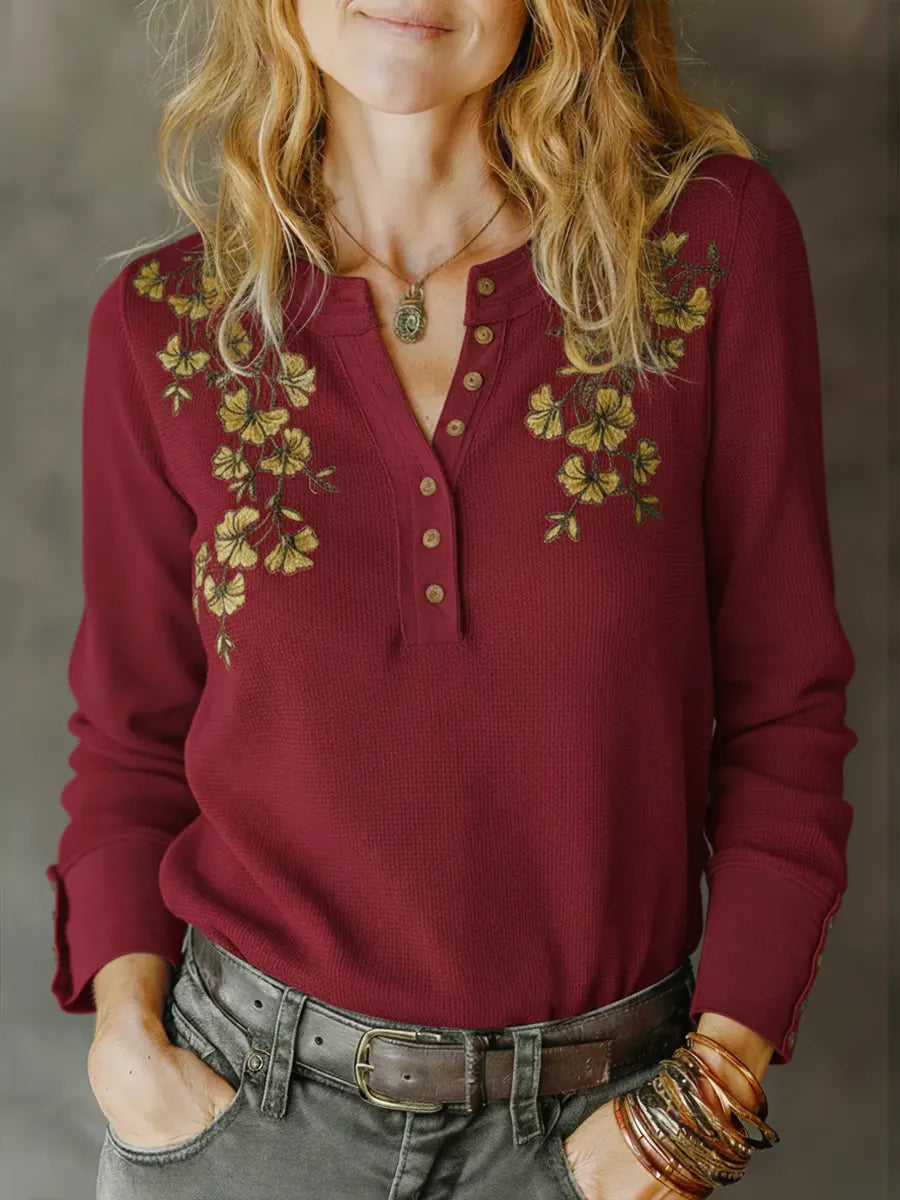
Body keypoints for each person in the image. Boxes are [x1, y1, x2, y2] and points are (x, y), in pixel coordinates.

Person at [47, 3, 858, 1198]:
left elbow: (787, 714)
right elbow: (130, 743)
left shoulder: (703, 254)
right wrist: (129, 1040)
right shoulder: (167, 328)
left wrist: (706, 1089)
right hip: (241, 1121)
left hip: (604, 1132)